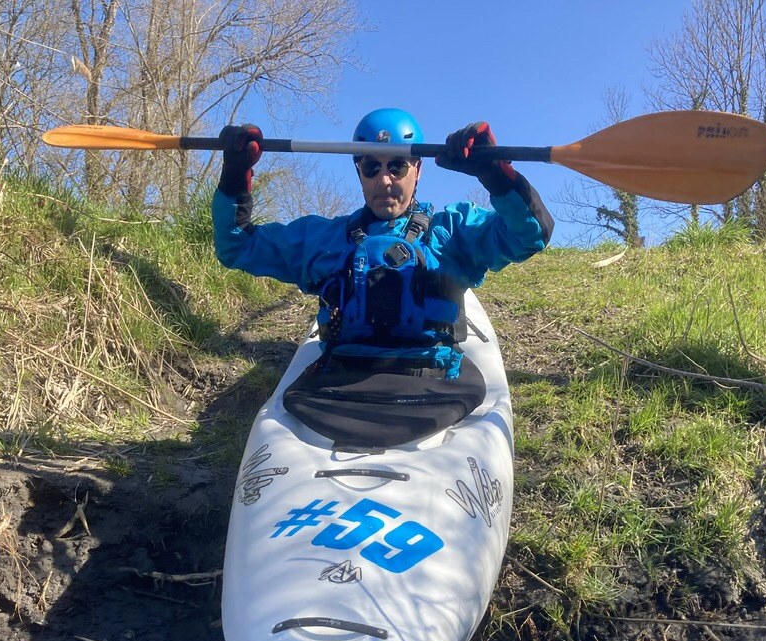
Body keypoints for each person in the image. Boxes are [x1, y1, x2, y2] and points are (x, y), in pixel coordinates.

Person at [208, 108, 554, 448]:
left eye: (397, 165)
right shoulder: (322, 239)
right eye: (371, 166)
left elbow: (531, 235)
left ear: (417, 170)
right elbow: (237, 246)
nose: (384, 179)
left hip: (433, 386)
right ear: (358, 170)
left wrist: (495, 174)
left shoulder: (451, 233)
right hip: (338, 386)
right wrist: (235, 176)